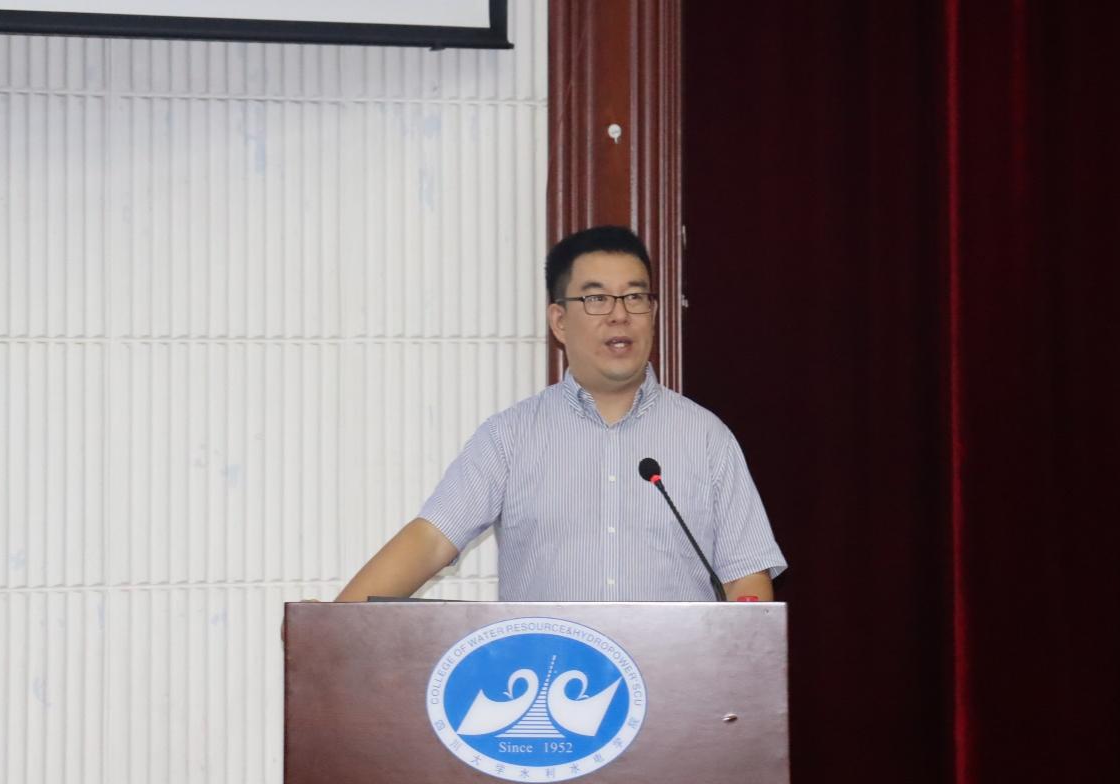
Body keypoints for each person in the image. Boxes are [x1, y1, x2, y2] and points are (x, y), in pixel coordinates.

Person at [336, 226, 785, 602]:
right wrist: (335, 622)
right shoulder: (510, 437)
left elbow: (745, 576)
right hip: (547, 678)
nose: (619, 315)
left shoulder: (705, 438)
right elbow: (433, 539)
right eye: (596, 299)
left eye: (634, 297)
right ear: (559, 321)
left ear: (652, 312)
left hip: (675, 679)